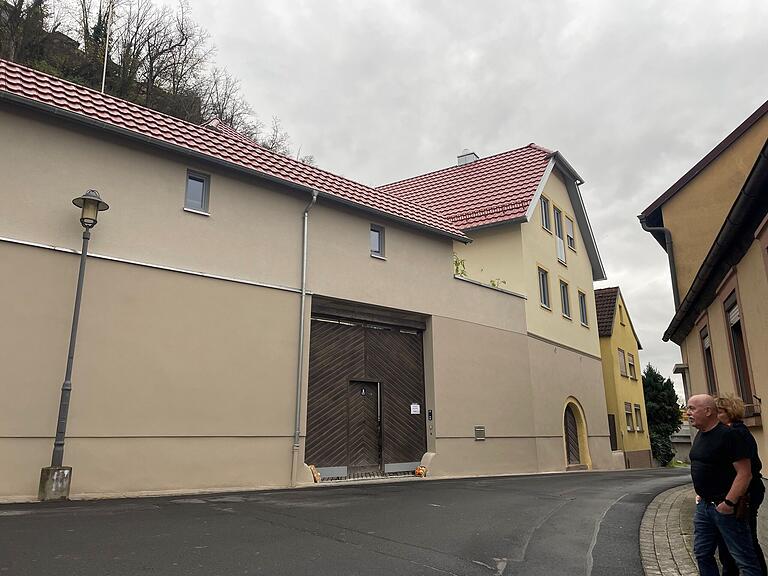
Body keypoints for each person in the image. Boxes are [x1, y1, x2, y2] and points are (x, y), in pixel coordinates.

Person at [687, 394, 762, 576]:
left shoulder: (730, 436)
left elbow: (745, 473)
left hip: (725, 507)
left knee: (743, 558)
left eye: (691, 408)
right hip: (704, 506)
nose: (687, 413)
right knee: (702, 553)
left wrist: (728, 503)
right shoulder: (701, 435)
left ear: (708, 411)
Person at [715, 395, 767, 576]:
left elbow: (746, 470)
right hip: (741, 493)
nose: (715, 416)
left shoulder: (736, 433)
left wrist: (730, 500)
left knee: (745, 542)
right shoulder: (730, 432)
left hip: (745, 494)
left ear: (729, 414)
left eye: (719, 412)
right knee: (738, 541)